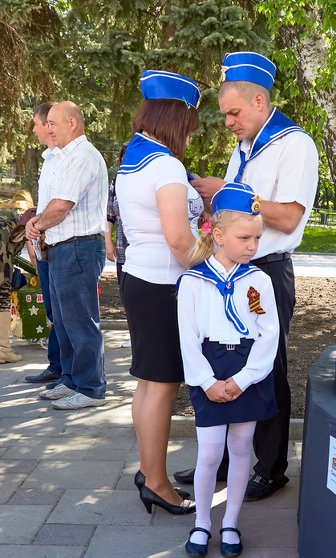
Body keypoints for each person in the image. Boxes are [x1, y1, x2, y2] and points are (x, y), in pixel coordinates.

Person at [175, 50, 319, 501]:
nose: (229, 122)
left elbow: (291, 217)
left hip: (265, 272)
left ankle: (271, 468)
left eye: (234, 112)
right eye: (225, 115)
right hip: (230, 270)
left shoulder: (294, 144)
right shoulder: (247, 146)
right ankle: (221, 460)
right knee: (224, 360)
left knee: (267, 367)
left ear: (259, 100)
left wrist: (227, 191)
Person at [115, 69, 203, 516]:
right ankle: (157, 482)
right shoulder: (165, 164)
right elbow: (178, 238)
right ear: (177, 116)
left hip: (141, 278)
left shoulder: (136, 154)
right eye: (190, 123)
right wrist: (213, 265)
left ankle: (149, 469)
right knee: (162, 386)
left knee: (150, 383)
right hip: (163, 283)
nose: (191, 132)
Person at [178, 182, 279, 558]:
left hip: (247, 369)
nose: (253, 246)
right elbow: (187, 339)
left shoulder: (259, 281)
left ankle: (231, 522)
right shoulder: (192, 281)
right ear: (217, 235)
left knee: (240, 449)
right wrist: (207, 382)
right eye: (245, 237)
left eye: (257, 237)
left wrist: (242, 379)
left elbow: (269, 334)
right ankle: (202, 522)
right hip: (209, 367)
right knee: (208, 454)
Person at [25, 101, 108, 410]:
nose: (48, 129)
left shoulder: (82, 157)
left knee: (80, 321)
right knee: (63, 321)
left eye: (53, 124)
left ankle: (91, 387)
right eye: (46, 124)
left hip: (78, 246)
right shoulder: (62, 157)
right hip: (62, 247)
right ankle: (72, 380)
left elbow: (61, 206)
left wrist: (36, 224)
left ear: (72, 123)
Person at [24, 102, 62, 387]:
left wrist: (36, 225)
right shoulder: (49, 159)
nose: (35, 130)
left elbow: (62, 206)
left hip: (63, 244)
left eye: (37, 124)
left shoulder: (66, 158)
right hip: (45, 244)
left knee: (66, 313)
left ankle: (69, 373)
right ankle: (58, 366)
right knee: (52, 311)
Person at [0, 190, 35, 364]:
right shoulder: (26, 217)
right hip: (1, 255)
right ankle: (3, 350)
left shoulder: (3, 211)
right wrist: (40, 274)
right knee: (2, 299)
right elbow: (33, 254)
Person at [104, 142, 130, 347]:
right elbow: (109, 215)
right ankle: (134, 334)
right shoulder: (117, 182)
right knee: (126, 295)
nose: (125, 160)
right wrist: (108, 242)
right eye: (122, 157)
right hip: (122, 250)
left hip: (144, 252)